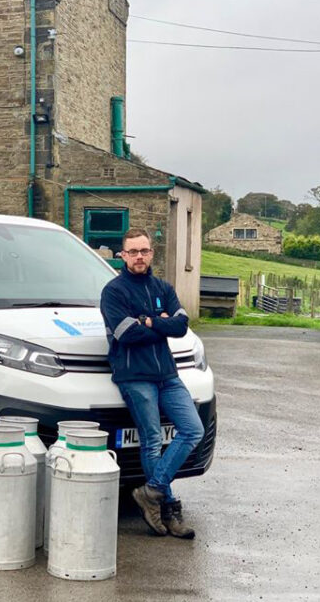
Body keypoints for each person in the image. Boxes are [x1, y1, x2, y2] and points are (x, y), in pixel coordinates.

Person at [100, 227, 205, 539]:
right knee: (152, 439)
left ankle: (151, 491)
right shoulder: (114, 292)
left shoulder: (163, 287)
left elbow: (181, 326)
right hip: (135, 376)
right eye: (133, 252)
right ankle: (168, 508)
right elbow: (126, 334)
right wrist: (161, 323)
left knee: (193, 429)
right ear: (123, 255)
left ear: (151, 253)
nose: (139, 257)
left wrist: (148, 321)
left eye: (144, 251)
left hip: (167, 375)